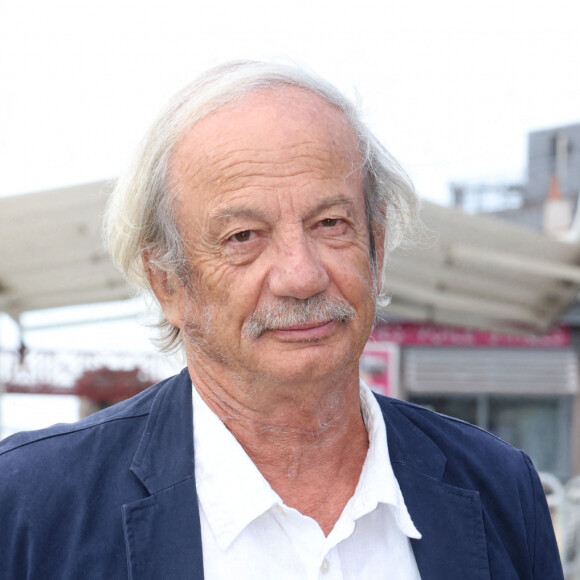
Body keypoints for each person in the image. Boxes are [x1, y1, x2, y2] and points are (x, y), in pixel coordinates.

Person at [0, 61, 563, 579]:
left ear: (378, 247)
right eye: (243, 237)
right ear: (167, 282)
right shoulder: (29, 507)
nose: (301, 275)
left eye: (331, 223)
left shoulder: (498, 488)